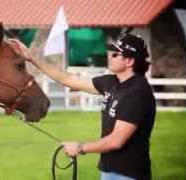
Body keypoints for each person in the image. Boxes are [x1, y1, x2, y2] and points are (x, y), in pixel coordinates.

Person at [9, 33, 156, 180]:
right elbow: (70, 79)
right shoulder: (111, 83)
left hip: (129, 174)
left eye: (116, 54)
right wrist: (31, 58)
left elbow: (116, 141)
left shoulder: (137, 93)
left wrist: (79, 148)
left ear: (129, 61)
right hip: (110, 170)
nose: (110, 56)